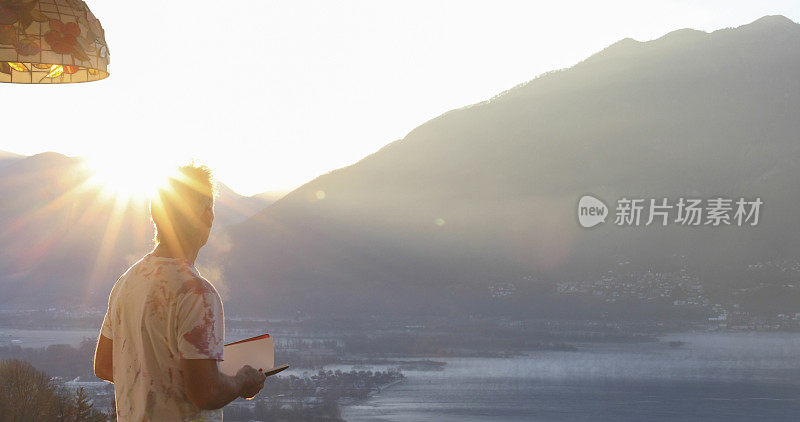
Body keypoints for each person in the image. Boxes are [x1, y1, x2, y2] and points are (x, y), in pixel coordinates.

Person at [93, 164, 266, 421]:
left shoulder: (126, 283)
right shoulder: (198, 294)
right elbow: (205, 393)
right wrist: (242, 381)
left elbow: (105, 365)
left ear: (156, 217)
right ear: (208, 214)